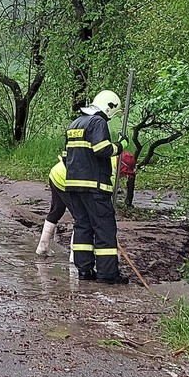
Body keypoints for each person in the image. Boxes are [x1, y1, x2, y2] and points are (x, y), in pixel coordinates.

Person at [64, 90, 129, 284]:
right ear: (109, 107)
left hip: (73, 186)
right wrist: (120, 145)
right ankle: (108, 274)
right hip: (95, 186)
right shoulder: (97, 122)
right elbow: (102, 149)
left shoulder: (74, 124)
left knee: (83, 226)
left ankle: (84, 271)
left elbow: (66, 156)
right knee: (104, 229)